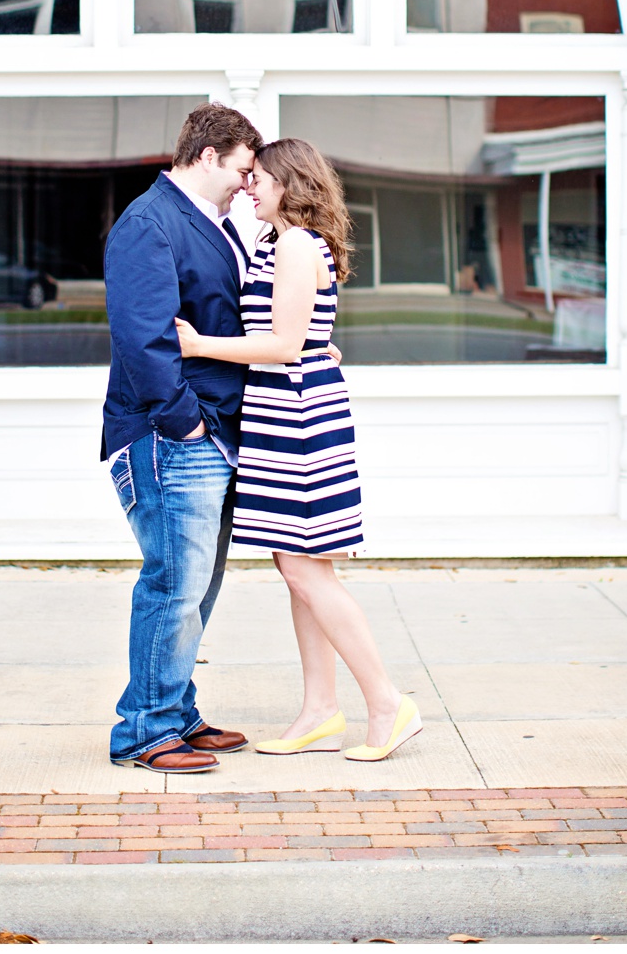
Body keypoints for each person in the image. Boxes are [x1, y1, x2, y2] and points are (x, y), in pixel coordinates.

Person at [176, 137, 422, 763]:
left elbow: (284, 344)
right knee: (300, 570)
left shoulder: (291, 243)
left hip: (298, 417)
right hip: (290, 408)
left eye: (257, 178)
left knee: (306, 569)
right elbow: (308, 337)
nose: (248, 187)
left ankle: (388, 703)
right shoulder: (282, 243)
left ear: (289, 183)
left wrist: (199, 345)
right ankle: (319, 711)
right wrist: (318, 350)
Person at [102, 101, 263, 774]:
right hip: (170, 436)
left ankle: (175, 710)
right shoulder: (150, 223)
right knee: (173, 582)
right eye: (243, 168)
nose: (248, 183)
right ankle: (143, 728)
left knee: (196, 588)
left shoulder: (211, 224)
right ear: (208, 155)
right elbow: (144, 336)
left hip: (206, 438)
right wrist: (186, 420)